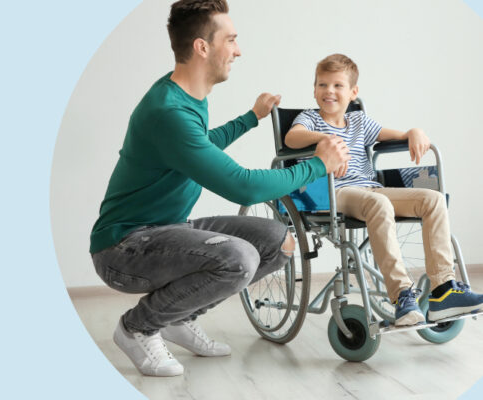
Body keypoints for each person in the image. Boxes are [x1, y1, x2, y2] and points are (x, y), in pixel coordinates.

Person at [89, 1, 349, 377]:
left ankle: (178, 316)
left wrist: (250, 119)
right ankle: (137, 328)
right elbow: (244, 187)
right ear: (202, 47)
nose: (238, 50)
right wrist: (317, 165)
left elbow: (201, 146)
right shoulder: (168, 112)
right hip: (124, 248)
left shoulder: (186, 98)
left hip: (168, 229)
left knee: (280, 241)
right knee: (239, 257)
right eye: (231, 40)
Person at [285, 53, 483, 327]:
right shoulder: (310, 119)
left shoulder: (359, 122)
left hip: (370, 189)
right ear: (314, 89)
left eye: (337, 85)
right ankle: (402, 296)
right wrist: (325, 139)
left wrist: (414, 131)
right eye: (322, 85)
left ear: (353, 92)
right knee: (379, 205)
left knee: (432, 199)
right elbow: (291, 137)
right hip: (333, 194)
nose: (329, 91)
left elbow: (396, 135)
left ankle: (443, 291)